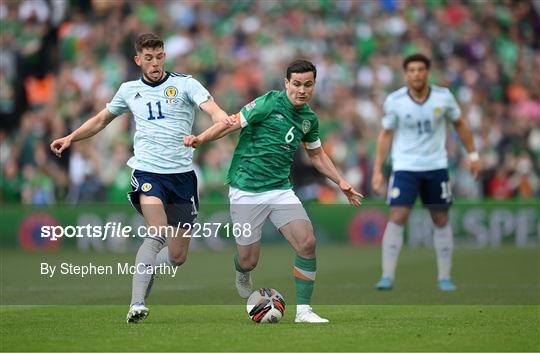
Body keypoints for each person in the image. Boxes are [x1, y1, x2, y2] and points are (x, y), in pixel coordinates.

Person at [50, 33, 233, 323]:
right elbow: (100, 120)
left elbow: (212, 109)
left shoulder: (185, 84)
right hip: (148, 172)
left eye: (159, 56)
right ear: (138, 60)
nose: (155, 62)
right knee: (157, 230)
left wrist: (221, 118)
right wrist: (71, 137)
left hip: (183, 177)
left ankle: (144, 269)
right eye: (149, 58)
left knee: (177, 256)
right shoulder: (128, 90)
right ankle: (136, 302)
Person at [184, 59, 363, 323]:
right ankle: (241, 270)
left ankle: (303, 311)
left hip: (280, 190)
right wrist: (201, 138)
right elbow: (231, 123)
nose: (302, 90)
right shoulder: (269, 102)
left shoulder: (309, 119)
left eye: (308, 85)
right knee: (248, 260)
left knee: (307, 242)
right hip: (246, 189)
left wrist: (341, 181)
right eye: (297, 84)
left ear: (314, 86)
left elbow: (316, 155)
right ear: (286, 83)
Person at [371, 53, 481, 292]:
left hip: (436, 166)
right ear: (406, 74)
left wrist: (472, 155)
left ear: (427, 73)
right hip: (405, 167)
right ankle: (387, 276)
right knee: (398, 215)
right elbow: (385, 134)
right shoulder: (395, 100)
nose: (416, 74)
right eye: (412, 70)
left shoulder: (443, 97)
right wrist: (378, 170)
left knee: (440, 218)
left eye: (421, 69)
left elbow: (460, 124)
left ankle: (444, 276)